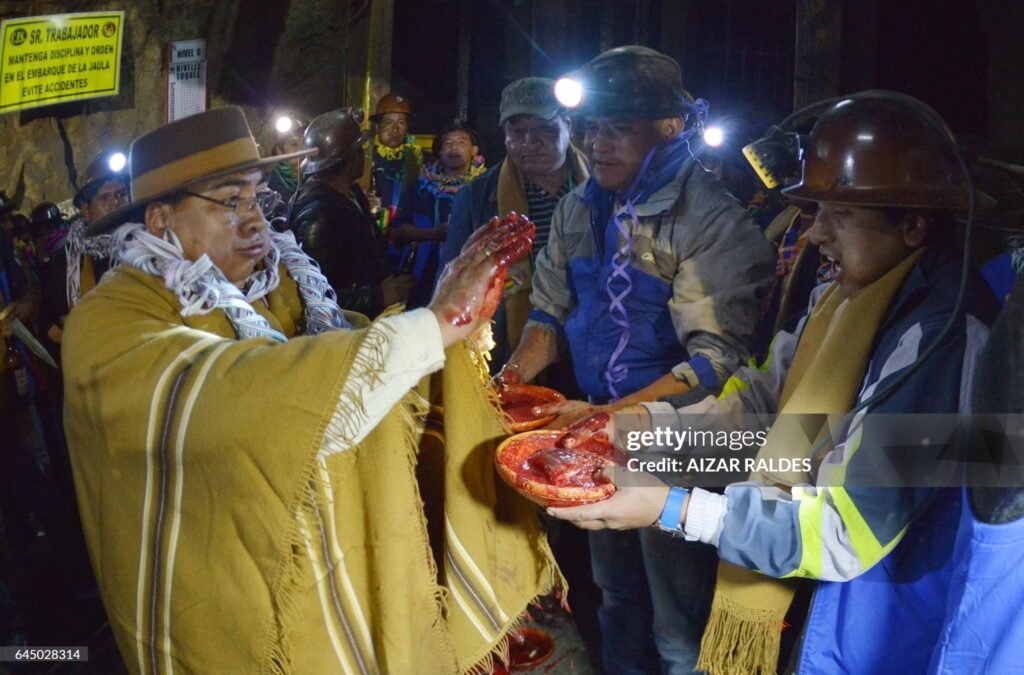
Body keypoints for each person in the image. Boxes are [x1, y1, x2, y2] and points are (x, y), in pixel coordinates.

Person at [63, 106, 555, 673]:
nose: (254, 222)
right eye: (230, 202)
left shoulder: (275, 291)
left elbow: (352, 352)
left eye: (256, 199)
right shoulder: (111, 322)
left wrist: (450, 351)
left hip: (322, 585)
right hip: (225, 606)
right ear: (158, 220)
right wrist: (433, 324)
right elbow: (242, 396)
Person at [547, 91, 1000, 674]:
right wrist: (633, 430)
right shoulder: (842, 297)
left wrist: (675, 509)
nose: (815, 237)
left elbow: (846, 531)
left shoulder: (945, 339)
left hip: (886, 609)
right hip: (822, 587)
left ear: (913, 224)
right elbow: (759, 414)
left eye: (840, 216)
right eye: (814, 213)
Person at [500, 46, 776, 673]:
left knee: (677, 621)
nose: (598, 144)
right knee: (616, 594)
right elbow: (548, 314)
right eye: (592, 128)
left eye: (617, 128)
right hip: (604, 429)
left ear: (669, 128)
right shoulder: (578, 207)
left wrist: (605, 420)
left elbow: (714, 364)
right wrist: (507, 386)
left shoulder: (711, 221)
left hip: (681, 442)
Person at [443, 77, 591, 369]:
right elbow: (452, 283)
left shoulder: (601, 189)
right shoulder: (476, 198)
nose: (530, 142)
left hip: (589, 346)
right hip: (507, 347)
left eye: (545, 129)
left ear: (568, 127)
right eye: (517, 131)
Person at [288, 107, 412, 318]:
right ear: (347, 159)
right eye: (360, 150)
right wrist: (379, 296)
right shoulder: (317, 214)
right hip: (343, 338)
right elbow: (314, 297)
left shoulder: (351, 192)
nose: (365, 156)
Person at [393, 121, 485, 308]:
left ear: (474, 150)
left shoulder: (483, 187)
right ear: (439, 152)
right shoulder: (420, 187)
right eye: (448, 143)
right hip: (423, 277)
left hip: (469, 276)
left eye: (461, 142)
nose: (454, 148)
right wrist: (432, 234)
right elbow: (398, 230)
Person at [368, 93, 423, 248]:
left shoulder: (419, 159)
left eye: (401, 123)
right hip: (371, 237)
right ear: (377, 127)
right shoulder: (364, 157)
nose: (395, 130)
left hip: (407, 241)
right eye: (388, 123)